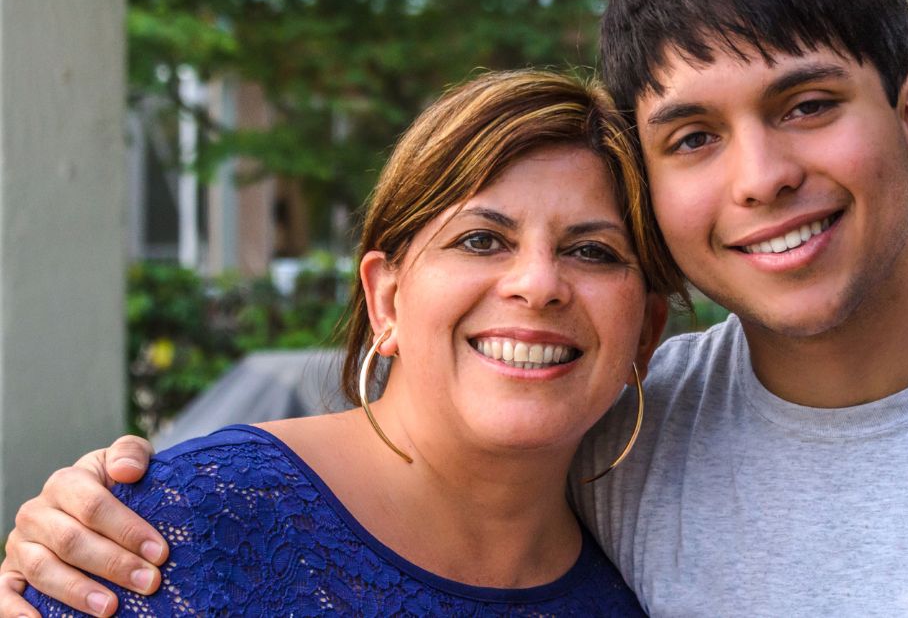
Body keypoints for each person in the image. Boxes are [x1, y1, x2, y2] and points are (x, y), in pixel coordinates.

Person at [5, 0, 908, 615]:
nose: (761, 175)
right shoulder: (607, 431)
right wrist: (74, 521)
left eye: (807, 104)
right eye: (691, 135)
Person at [4, 68, 689, 616]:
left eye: (593, 252)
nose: (538, 285)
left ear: (646, 332)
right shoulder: (176, 529)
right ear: (385, 298)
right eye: (481, 240)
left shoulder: (645, 586)